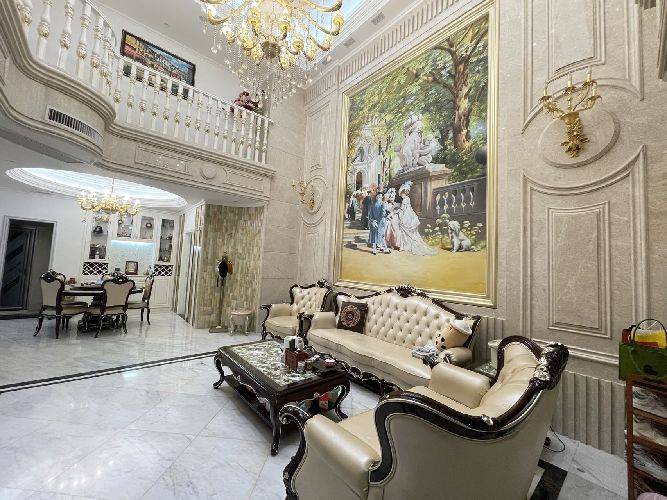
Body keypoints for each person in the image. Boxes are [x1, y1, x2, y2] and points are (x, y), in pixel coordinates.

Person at [396, 181, 437, 256]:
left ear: (403, 193)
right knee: (405, 229)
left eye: (401, 193)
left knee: (403, 227)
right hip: (409, 214)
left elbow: (402, 208)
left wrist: (397, 210)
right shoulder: (407, 198)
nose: (401, 195)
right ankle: (405, 245)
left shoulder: (405, 199)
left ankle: (404, 245)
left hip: (406, 215)